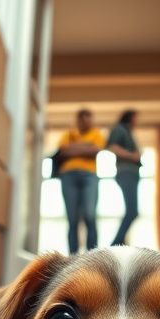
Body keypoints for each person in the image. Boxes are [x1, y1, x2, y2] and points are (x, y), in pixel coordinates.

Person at [57, 108, 105, 254]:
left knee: (90, 215)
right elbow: (63, 151)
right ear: (78, 120)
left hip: (89, 176)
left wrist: (74, 147)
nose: (86, 121)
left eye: (88, 118)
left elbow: (95, 150)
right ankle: (72, 256)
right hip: (68, 175)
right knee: (72, 219)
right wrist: (86, 146)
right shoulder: (68, 134)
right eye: (83, 118)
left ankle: (93, 255)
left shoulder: (97, 134)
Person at [106, 109, 143, 246]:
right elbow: (113, 147)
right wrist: (132, 156)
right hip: (126, 172)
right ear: (130, 117)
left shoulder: (128, 132)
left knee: (132, 211)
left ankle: (118, 242)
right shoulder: (119, 129)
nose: (137, 121)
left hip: (132, 172)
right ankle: (116, 243)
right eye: (135, 118)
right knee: (132, 211)